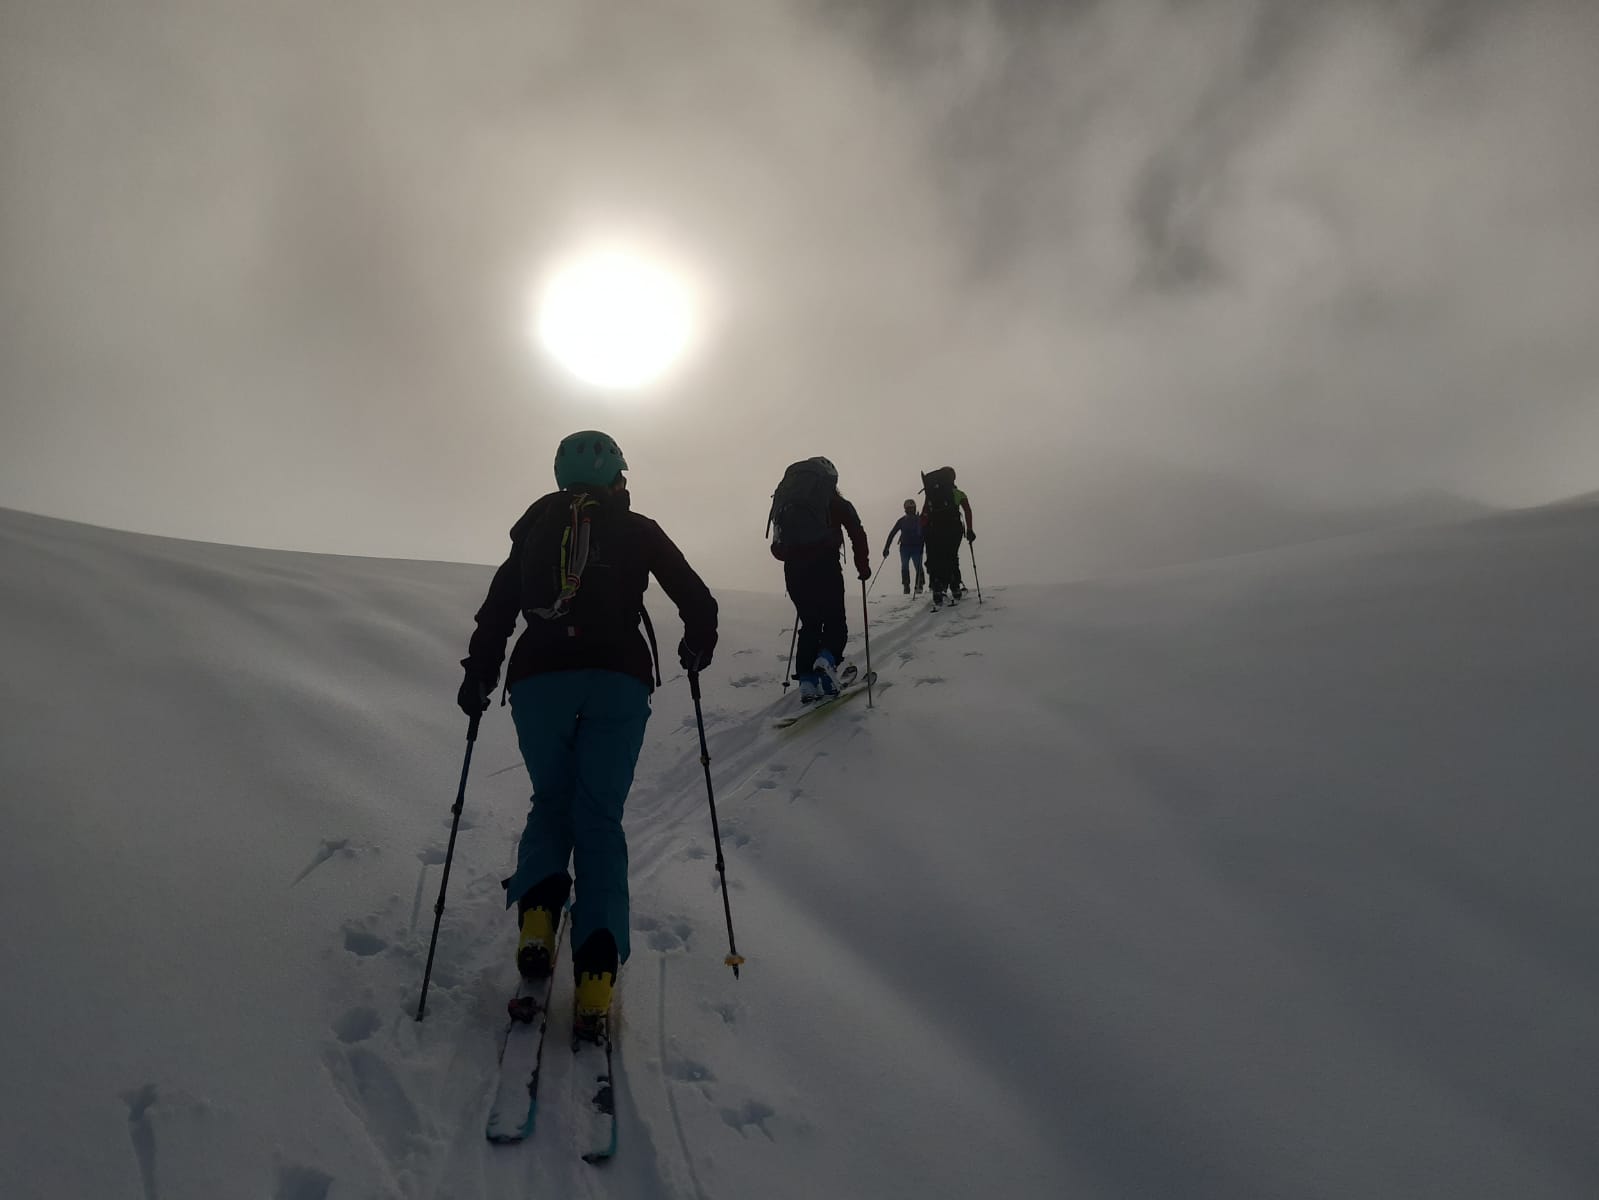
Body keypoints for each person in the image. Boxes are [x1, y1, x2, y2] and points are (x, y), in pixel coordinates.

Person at [457, 430, 718, 1039]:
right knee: (598, 815)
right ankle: (596, 975)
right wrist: (695, 647)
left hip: (538, 678)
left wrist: (478, 676)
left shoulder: (534, 528)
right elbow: (697, 601)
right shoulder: (638, 528)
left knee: (552, 799)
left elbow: (496, 611)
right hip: (618, 680)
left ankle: (539, 923)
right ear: (617, 477)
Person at [766, 456, 871, 702]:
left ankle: (807, 681)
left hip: (794, 571)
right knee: (835, 621)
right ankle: (826, 661)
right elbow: (857, 532)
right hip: (826, 568)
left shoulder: (787, 504)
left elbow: (777, 550)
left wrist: (798, 552)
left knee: (810, 624)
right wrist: (862, 565)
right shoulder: (838, 504)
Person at [919, 466, 975, 609]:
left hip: (934, 531)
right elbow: (967, 510)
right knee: (951, 556)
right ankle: (955, 586)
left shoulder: (931, 494)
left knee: (936, 558)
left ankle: (937, 587)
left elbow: (925, 514)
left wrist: (923, 531)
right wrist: (969, 529)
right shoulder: (958, 493)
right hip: (953, 531)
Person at [882, 498, 925, 596]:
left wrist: (886, 548)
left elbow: (892, 534)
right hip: (909, 547)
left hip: (912, 547)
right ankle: (910, 585)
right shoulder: (912, 520)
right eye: (909, 508)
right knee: (910, 566)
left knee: (914, 566)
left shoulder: (910, 520)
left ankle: (915, 585)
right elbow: (892, 533)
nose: (910, 510)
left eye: (911, 508)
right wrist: (886, 548)